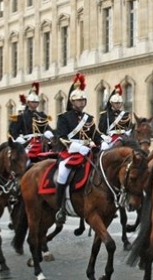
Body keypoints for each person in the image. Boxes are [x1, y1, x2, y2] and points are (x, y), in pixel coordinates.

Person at [54, 72, 101, 223]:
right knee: (62, 173)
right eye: (79, 101)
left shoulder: (89, 118)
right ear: (73, 102)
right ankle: (60, 208)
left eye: (83, 100)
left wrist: (102, 143)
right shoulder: (64, 117)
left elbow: (96, 136)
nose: (81, 103)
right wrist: (77, 147)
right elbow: (61, 137)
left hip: (88, 153)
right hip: (71, 153)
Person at [9, 82, 54, 165]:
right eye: (32, 102)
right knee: (25, 160)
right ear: (28, 103)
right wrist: (22, 141)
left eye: (36, 102)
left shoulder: (42, 115)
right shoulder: (21, 116)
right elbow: (14, 132)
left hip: (41, 141)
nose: (34, 104)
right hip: (28, 142)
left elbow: (46, 127)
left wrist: (50, 134)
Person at [97, 83, 133, 150]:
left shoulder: (125, 114)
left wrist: (128, 132)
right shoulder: (105, 115)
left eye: (119, 103)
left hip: (123, 137)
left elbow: (129, 126)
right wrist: (105, 137)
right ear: (111, 103)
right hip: (111, 138)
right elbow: (101, 129)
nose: (118, 105)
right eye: (116, 103)